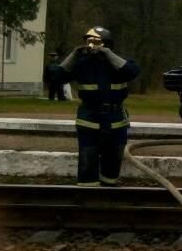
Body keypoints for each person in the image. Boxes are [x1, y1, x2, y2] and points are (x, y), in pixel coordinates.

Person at [58, 27, 140, 187]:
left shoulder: (119, 64)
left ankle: (108, 195)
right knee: (88, 161)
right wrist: (74, 54)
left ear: (107, 44)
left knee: (113, 161)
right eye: (88, 42)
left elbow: (132, 72)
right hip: (89, 119)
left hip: (115, 120)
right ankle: (87, 197)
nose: (91, 46)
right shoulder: (82, 64)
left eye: (96, 42)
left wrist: (108, 53)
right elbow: (57, 76)